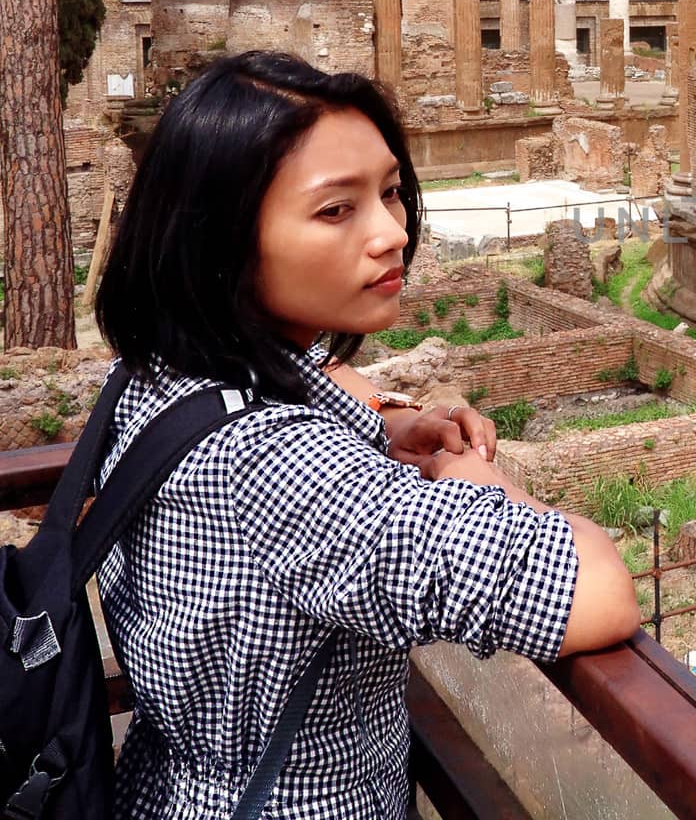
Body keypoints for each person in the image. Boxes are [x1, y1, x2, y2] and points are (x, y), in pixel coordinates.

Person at [93, 51, 639, 818]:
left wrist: (386, 426)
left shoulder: (158, 368)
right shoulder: (280, 464)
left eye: (389, 192)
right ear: (219, 239)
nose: (392, 233)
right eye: (335, 209)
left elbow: (309, 394)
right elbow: (598, 591)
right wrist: (488, 493)